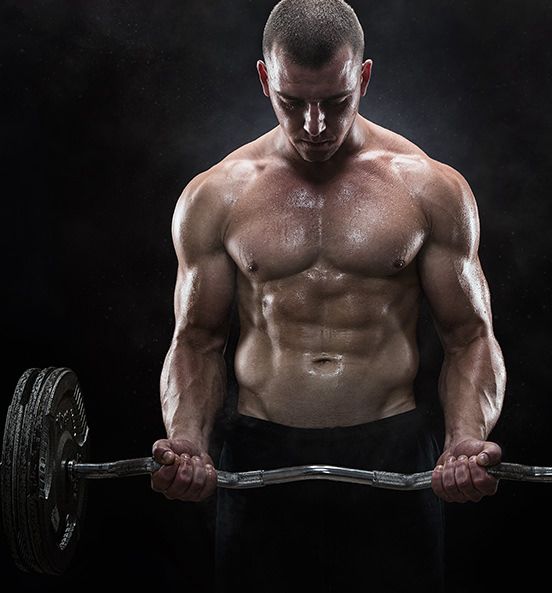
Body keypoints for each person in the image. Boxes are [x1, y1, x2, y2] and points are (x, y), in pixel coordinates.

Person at [150, 1, 506, 591]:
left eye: (335, 101)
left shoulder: (430, 189)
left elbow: (470, 336)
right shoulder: (215, 197)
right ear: (265, 79)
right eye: (293, 101)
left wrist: (466, 439)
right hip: (260, 454)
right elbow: (197, 339)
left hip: (393, 453)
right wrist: (188, 438)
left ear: (362, 77)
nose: (314, 124)